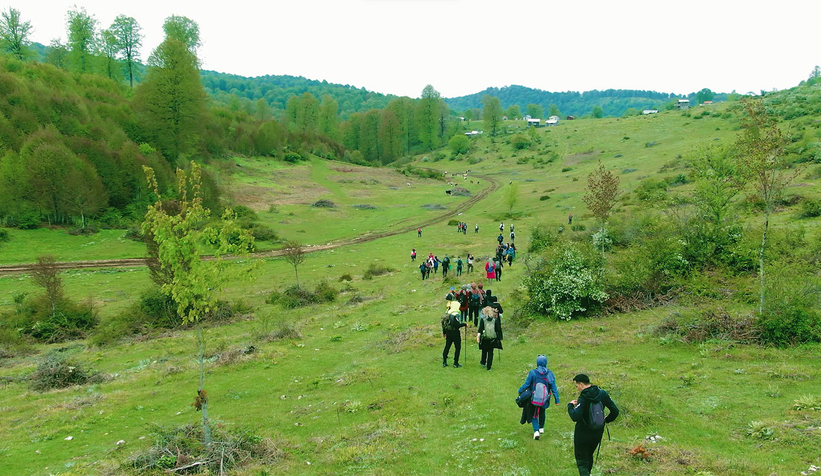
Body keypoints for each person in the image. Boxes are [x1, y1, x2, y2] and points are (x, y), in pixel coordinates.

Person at [567, 374, 620, 476]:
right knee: (589, 456)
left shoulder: (583, 397)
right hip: (597, 432)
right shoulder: (602, 394)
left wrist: (570, 406)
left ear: (581, 384)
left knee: (582, 462)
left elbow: (575, 416)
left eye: (576, 386)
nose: (577, 389)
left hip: (582, 433)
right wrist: (605, 420)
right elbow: (615, 411)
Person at [518, 355, 560, 440]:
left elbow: (527, 384)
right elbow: (554, 387)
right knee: (542, 412)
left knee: (534, 414)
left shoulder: (533, 372)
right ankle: (541, 428)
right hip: (545, 399)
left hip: (534, 398)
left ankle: (536, 431)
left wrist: (520, 390)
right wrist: (557, 399)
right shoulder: (549, 373)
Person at [442, 300, 467, 368]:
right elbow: (456, 325)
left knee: (447, 347)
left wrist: (444, 332)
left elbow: (443, 324)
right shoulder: (456, 314)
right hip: (455, 333)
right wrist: (464, 324)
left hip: (448, 332)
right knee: (457, 347)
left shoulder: (447, 313)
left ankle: (444, 361)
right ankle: (455, 363)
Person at [476, 306, 502, 370]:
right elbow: (498, 329)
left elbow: (480, 329)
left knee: (484, 350)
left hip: (485, 337)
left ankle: (483, 362)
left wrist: (478, 337)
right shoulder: (494, 320)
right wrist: (499, 337)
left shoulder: (483, 320)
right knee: (490, 352)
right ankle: (489, 366)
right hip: (492, 338)